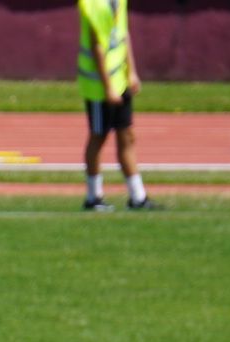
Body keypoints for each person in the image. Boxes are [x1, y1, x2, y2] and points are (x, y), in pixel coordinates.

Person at [79, 0, 155, 210]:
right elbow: (97, 46)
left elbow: (123, 33)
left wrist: (131, 71)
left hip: (119, 79)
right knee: (98, 136)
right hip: (98, 86)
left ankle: (137, 197)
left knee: (127, 135)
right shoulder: (94, 4)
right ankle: (93, 197)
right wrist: (107, 88)